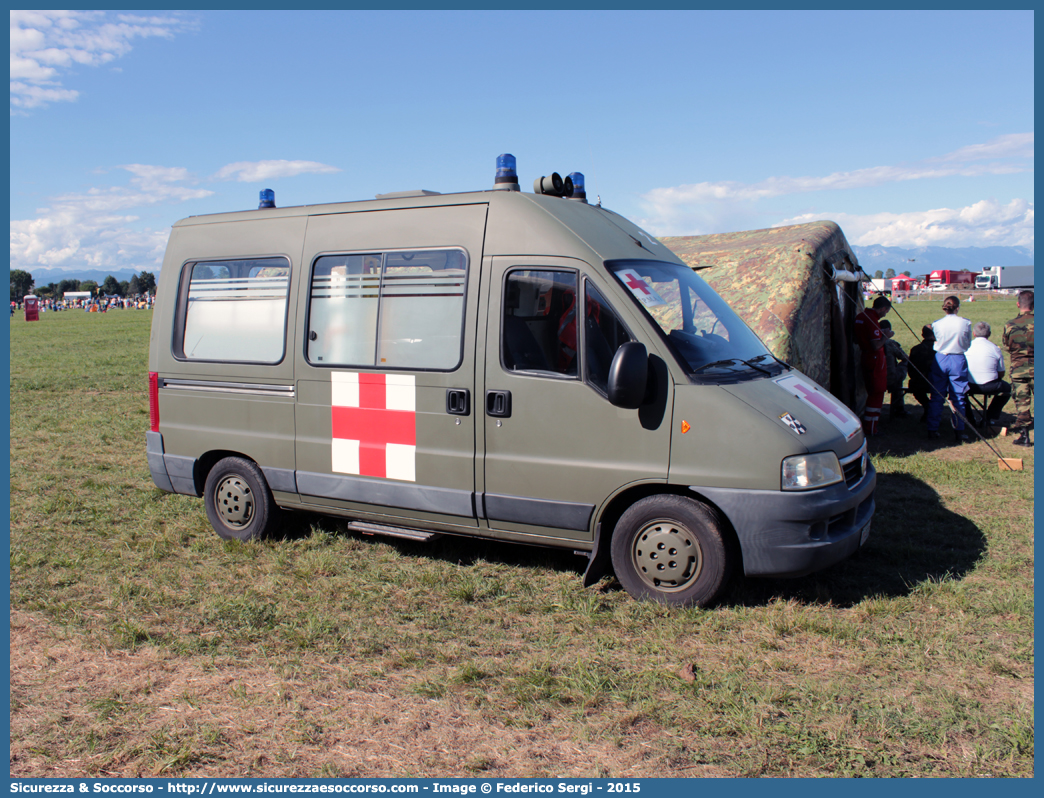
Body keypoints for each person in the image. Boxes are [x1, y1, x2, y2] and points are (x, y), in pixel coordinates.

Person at [926, 295, 972, 443]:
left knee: (937, 395)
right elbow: (967, 343)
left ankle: (932, 430)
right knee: (958, 397)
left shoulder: (937, 324)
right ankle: (959, 431)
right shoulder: (965, 323)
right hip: (957, 358)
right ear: (957, 307)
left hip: (941, 358)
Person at [853, 296, 891, 435]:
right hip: (874, 359)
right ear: (882, 308)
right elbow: (876, 345)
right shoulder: (872, 320)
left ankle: (869, 424)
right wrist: (886, 336)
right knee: (877, 392)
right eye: (885, 311)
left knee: (871, 390)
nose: (884, 314)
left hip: (865, 356)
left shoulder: (860, 316)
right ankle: (871, 426)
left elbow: (856, 338)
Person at [965, 321, 1012, 426]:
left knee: (958, 391)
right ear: (989, 334)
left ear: (974, 333)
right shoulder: (995, 348)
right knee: (1007, 388)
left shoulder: (966, 347)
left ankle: (969, 418)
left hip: (968, 385)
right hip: (990, 385)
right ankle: (989, 417)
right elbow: (1001, 373)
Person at [1003, 290, 1034, 447]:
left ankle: (1024, 436)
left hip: (1018, 369)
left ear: (1018, 304)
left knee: (1022, 402)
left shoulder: (1010, 325)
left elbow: (1007, 346)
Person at [878, 319, 909, 418]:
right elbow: (905, 358)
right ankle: (899, 408)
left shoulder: (873, 341)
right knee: (898, 375)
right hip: (890, 377)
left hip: (875, 376)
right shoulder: (890, 343)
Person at [907, 326, 936, 422]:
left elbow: (910, 369)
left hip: (918, 383)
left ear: (923, 335)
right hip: (936, 384)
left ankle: (927, 405)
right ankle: (931, 408)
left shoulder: (915, 349)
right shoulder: (939, 350)